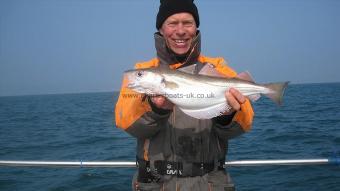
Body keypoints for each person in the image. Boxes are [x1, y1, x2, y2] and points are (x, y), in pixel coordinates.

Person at [115, 0, 254, 190]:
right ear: (161, 29)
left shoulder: (217, 67)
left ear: (196, 27)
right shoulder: (142, 73)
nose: (180, 31)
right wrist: (156, 110)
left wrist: (226, 114)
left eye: (187, 23)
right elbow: (127, 123)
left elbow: (244, 124)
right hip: (156, 183)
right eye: (172, 23)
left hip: (211, 183)